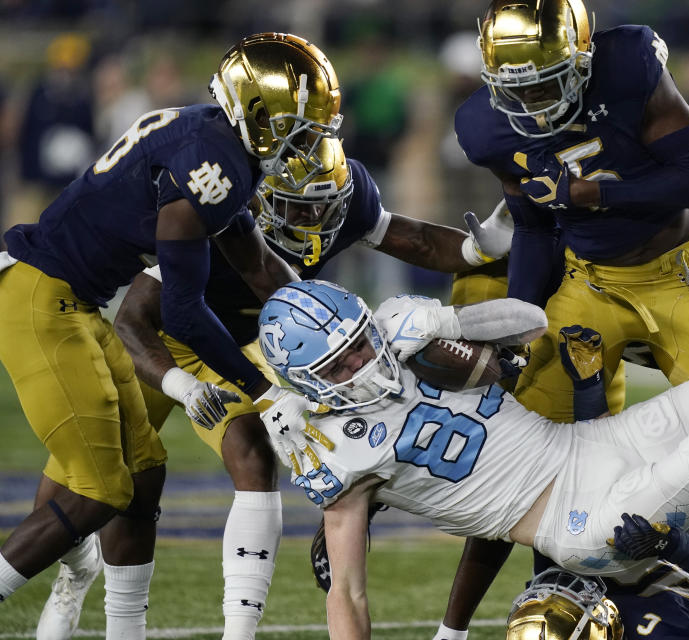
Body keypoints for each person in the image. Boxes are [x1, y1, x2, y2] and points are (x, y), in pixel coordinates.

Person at [256, 279, 689, 640]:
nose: (361, 357)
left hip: (588, 448)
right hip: (575, 521)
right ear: (308, 379)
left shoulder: (403, 342)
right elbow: (345, 591)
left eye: (357, 339)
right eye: (340, 359)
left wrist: (450, 322)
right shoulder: (328, 447)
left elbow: (532, 323)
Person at [35, 131, 514, 639]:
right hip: (160, 341)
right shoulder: (220, 203)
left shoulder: (345, 197)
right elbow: (133, 319)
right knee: (79, 482)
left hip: (238, 346)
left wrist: (473, 248)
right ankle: (71, 574)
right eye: (299, 210)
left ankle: (240, 628)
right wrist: (179, 385)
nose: (314, 222)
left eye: (325, 209)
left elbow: (412, 239)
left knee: (255, 453)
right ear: (261, 199)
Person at [0, 32, 341, 640]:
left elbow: (258, 264)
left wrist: (329, 320)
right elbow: (181, 313)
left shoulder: (212, 136)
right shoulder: (212, 164)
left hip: (73, 298)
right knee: (100, 488)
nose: (309, 142)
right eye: (300, 126)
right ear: (258, 115)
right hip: (42, 295)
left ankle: (122, 631)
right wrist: (262, 389)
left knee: (145, 468)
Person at [455, 0, 689, 425]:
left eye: (544, 84)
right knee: (539, 437)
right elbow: (533, 229)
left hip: (680, 276)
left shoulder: (627, 67)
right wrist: (517, 325)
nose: (531, 102)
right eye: (517, 90)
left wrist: (592, 193)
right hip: (589, 283)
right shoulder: (484, 128)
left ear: (581, 55)